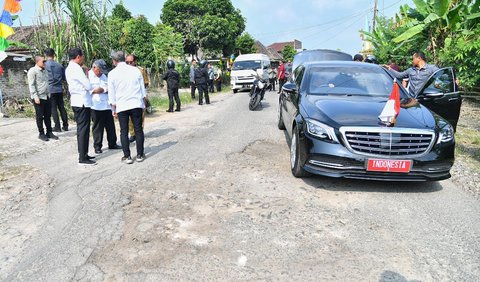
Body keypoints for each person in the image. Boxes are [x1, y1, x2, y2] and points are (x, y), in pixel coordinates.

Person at [108, 51, 146, 164]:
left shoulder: (112, 74)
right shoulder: (135, 70)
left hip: (122, 105)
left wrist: (113, 109)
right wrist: (143, 103)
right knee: (138, 129)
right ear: (124, 59)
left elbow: (112, 94)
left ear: (114, 61)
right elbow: (142, 90)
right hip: (136, 104)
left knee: (124, 131)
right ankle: (139, 154)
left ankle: (127, 156)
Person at [65, 48, 96, 165]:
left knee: (81, 129)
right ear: (78, 56)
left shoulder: (69, 68)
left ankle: (83, 153)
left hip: (76, 101)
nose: (83, 58)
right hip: (82, 102)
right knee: (83, 130)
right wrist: (87, 75)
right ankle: (82, 157)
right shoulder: (76, 69)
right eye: (82, 56)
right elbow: (88, 85)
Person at [88, 59, 121, 154]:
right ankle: (97, 146)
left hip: (106, 105)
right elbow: (86, 89)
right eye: (100, 70)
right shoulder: (88, 76)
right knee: (98, 127)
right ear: (94, 67)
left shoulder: (104, 76)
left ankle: (112, 143)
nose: (101, 73)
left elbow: (109, 87)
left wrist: (103, 89)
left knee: (110, 126)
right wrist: (94, 91)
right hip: (95, 105)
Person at [27, 55, 58, 142]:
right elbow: (31, 85)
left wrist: (49, 94)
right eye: (43, 61)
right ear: (37, 62)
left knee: (48, 116)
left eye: (45, 61)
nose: (45, 63)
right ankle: (41, 133)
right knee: (40, 117)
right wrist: (35, 96)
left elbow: (47, 83)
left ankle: (49, 132)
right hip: (38, 97)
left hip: (46, 96)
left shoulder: (45, 71)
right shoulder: (33, 71)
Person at [44, 48, 68, 132]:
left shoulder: (45, 65)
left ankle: (57, 126)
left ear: (46, 55)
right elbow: (64, 78)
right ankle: (65, 125)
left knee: (53, 108)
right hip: (59, 88)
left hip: (50, 89)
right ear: (54, 55)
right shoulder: (59, 65)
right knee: (62, 107)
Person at [125, 54, 148, 143]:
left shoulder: (140, 70)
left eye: (131, 62)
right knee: (129, 118)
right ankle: (132, 134)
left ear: (135, 62)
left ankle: (139, 132)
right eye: (127, 62)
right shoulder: (123, 71)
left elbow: (146, 83)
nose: (129, 64)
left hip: (139, 95)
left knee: (140, 116)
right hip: (127, 97)